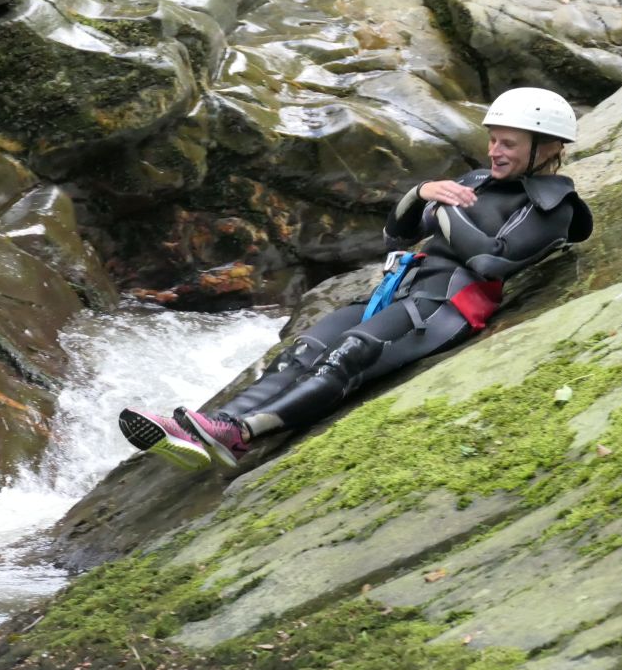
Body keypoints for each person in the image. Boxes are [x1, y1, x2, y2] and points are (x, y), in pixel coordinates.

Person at [118, 87, 594, 470]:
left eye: (508, 143)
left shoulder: (553, 207)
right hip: (399, 290)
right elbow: (397, 233)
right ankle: (209, 427)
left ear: (548, 148)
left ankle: (241, 435)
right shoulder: (474, 183)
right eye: (492, 139)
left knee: (351, 355)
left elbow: (492, 262)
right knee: (302, 351)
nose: (494, 151)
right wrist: (418, 193)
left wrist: (443, 211)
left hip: (445, 306)